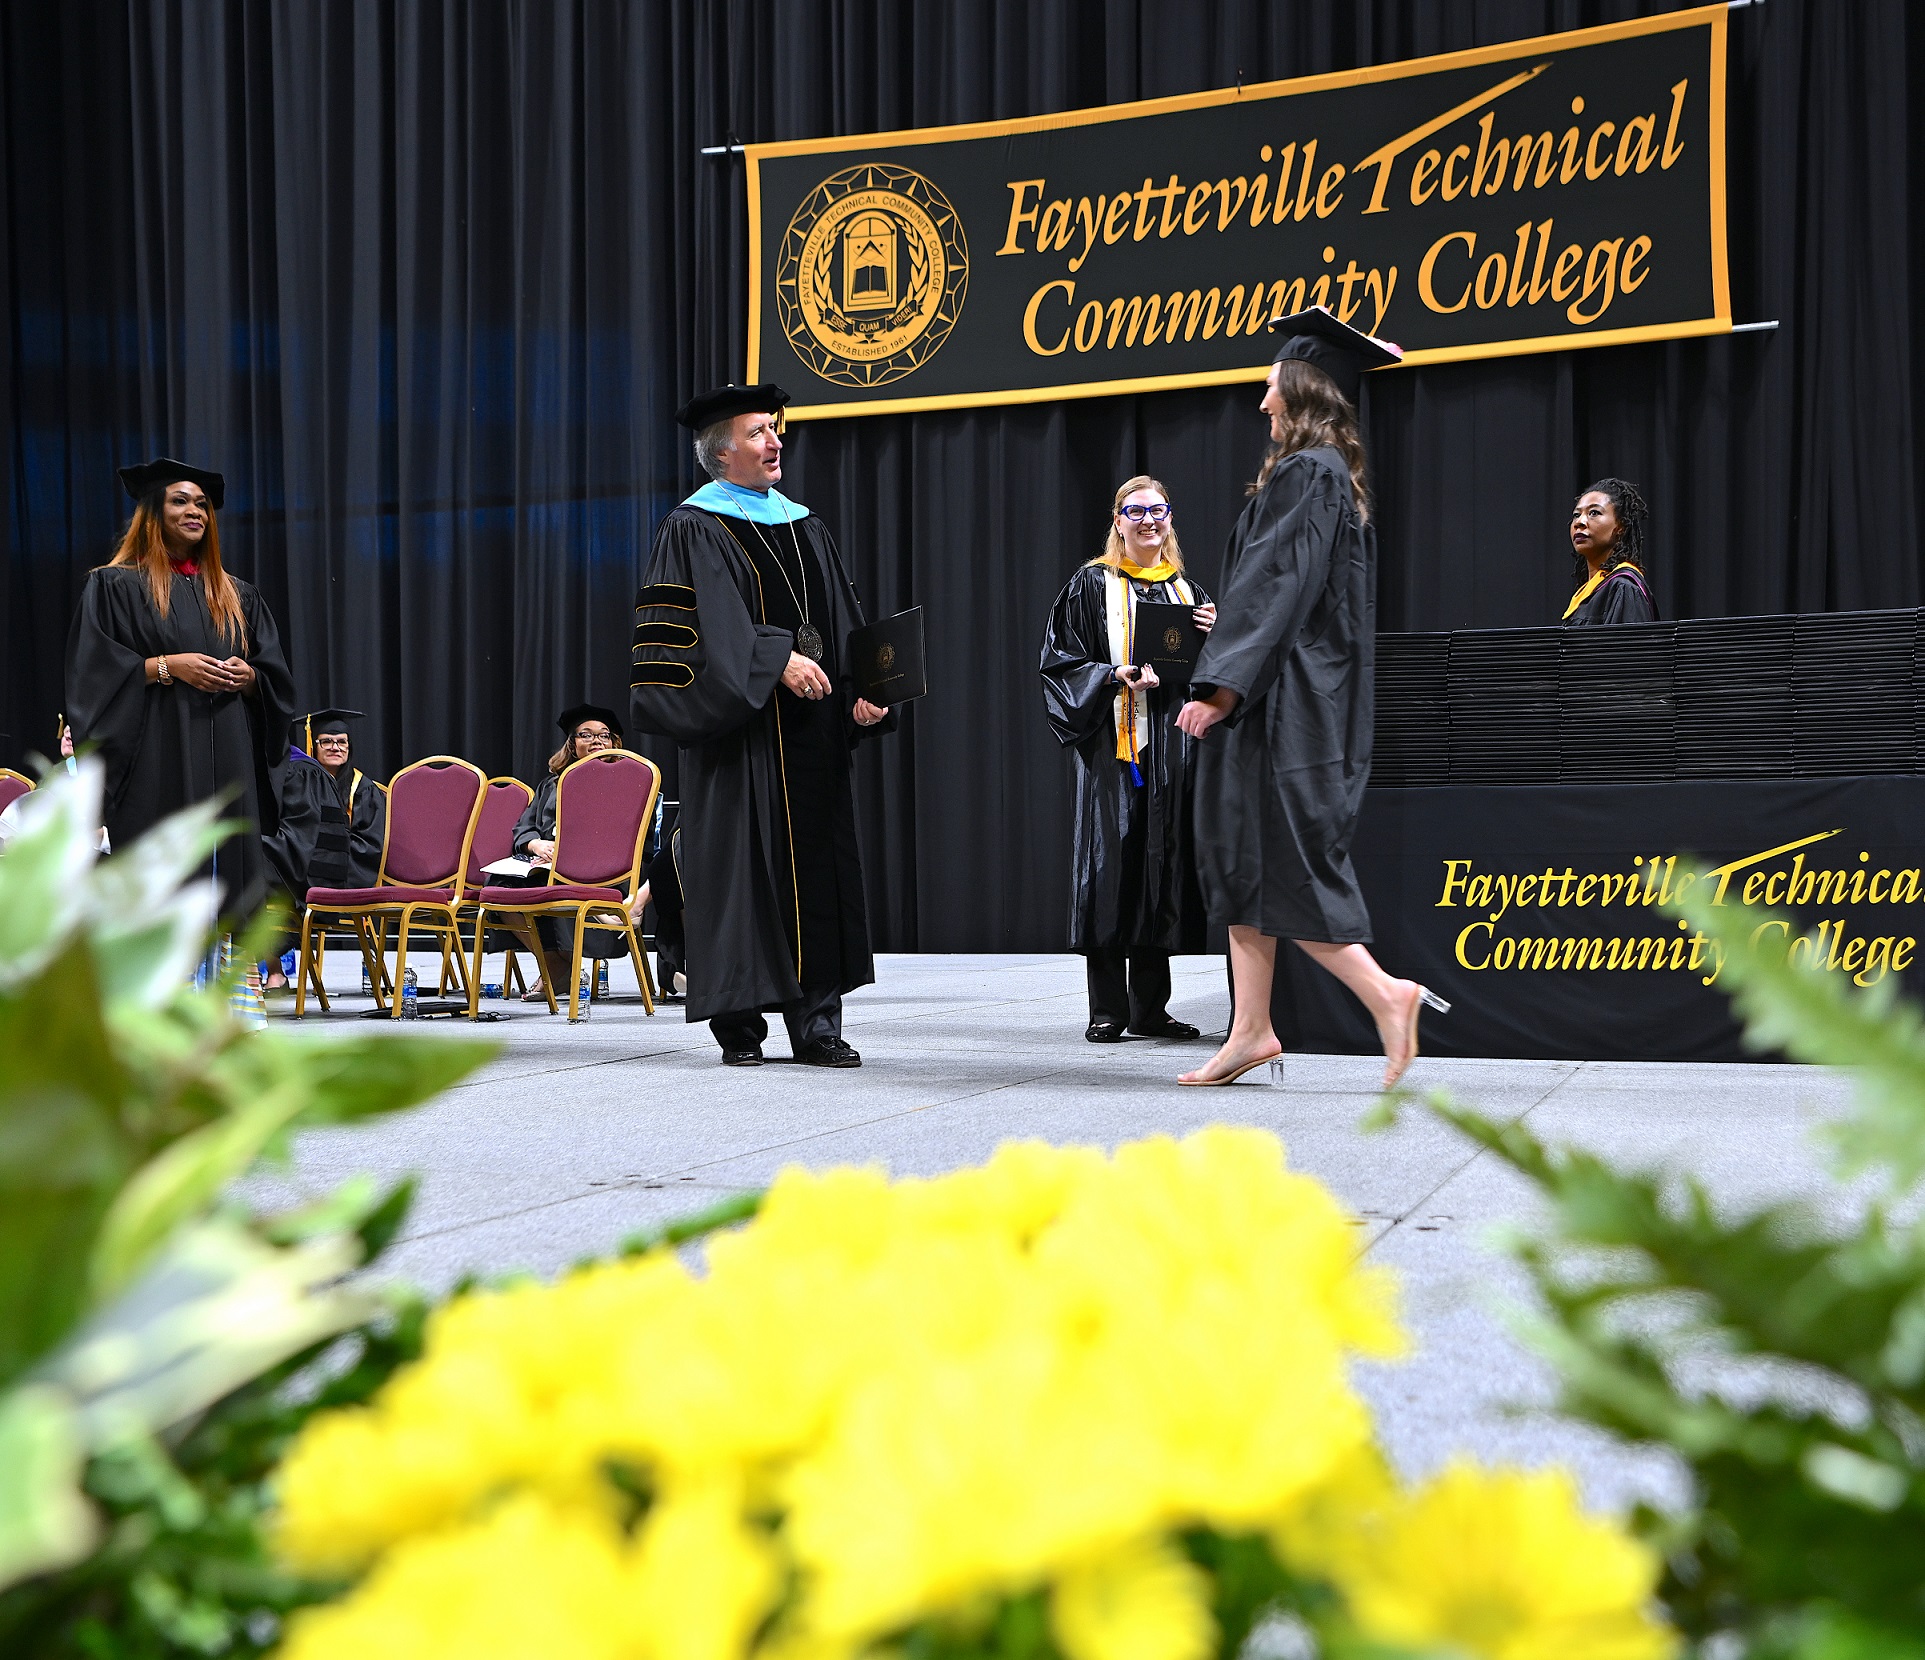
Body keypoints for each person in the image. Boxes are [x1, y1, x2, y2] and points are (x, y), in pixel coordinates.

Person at [1175, 309, 1445, 1089]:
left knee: (1284, 861)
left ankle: (1386, 995)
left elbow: (1276, 586)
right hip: (1284, 689)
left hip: (1278, 704)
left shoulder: (1308, 473)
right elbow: (1291, 593)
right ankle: (1251, 1030)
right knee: (1242, 860)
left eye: (1271, 388)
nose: (1262, 403)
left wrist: (1221, 686)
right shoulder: (1329, 477)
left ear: (1302, 392)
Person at [630, 382, 893, 1067]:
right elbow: (697, 629)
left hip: (813, 733)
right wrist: (774, 662)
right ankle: (739, 1027)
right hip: (739, 739)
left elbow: (839, 617)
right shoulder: (693, 526)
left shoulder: (806, 525)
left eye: (775, 430)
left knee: (820, 872)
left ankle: (818, 1025)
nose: (775, 441)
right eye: (757, 432)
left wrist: (864, 689)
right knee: (739, 873)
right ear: (721, 453)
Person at [65, 459, 297, 921]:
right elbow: (92, 677)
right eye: (180, 501)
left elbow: (276, 681)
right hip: (157, 755)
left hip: (228, 758)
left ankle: (228, 969)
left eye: (202, 504)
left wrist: (251, 679)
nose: (195, 511)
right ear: (154, 512)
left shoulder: (237, 595)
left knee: (230, 878)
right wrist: (167, 667)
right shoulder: (115, 586)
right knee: (162, 881)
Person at [1041, 475, 1215, 1043]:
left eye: (1157, 511)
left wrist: (1219, 634)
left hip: (1172, 749)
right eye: (1135, 512)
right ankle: (1107, 1008)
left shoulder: (1188, 592)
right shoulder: (1092, 585)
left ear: (1170, 519)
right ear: (1118, 521)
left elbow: (1211, 674)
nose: (1148, 521)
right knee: (1111, 867)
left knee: (1159, 869)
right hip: (1115, 745)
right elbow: (1060, 661)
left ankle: (1151, 1009)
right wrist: (1115, 674)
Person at [510, 703, 628, 1000]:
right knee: (500, 886)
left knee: (545, 884)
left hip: (600, 871)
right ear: (573, 745)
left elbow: (631, 838)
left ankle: (557, 970)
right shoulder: (551, 785)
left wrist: (570, 853)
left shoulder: (627, 784)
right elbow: (523, 827)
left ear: (613, 742)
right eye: (586, 734)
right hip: (544, 864)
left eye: (604, 735)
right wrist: (536, 844)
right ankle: (557, 966)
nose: (596, 740)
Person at [303, 709, 386, 887]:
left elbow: (368, 846)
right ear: (313, 746)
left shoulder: (363, 789)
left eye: (342, 742)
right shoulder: (302, 784)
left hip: (345, 875)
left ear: (349, 747)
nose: (335, 747)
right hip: (304, 871)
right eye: (326, 741)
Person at [1564, 478, 1657, 624]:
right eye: (1577, 514)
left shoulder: (1623, 587)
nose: (1579, 522)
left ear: (1621, 527)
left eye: (1594, 513)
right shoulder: (1587, 592)